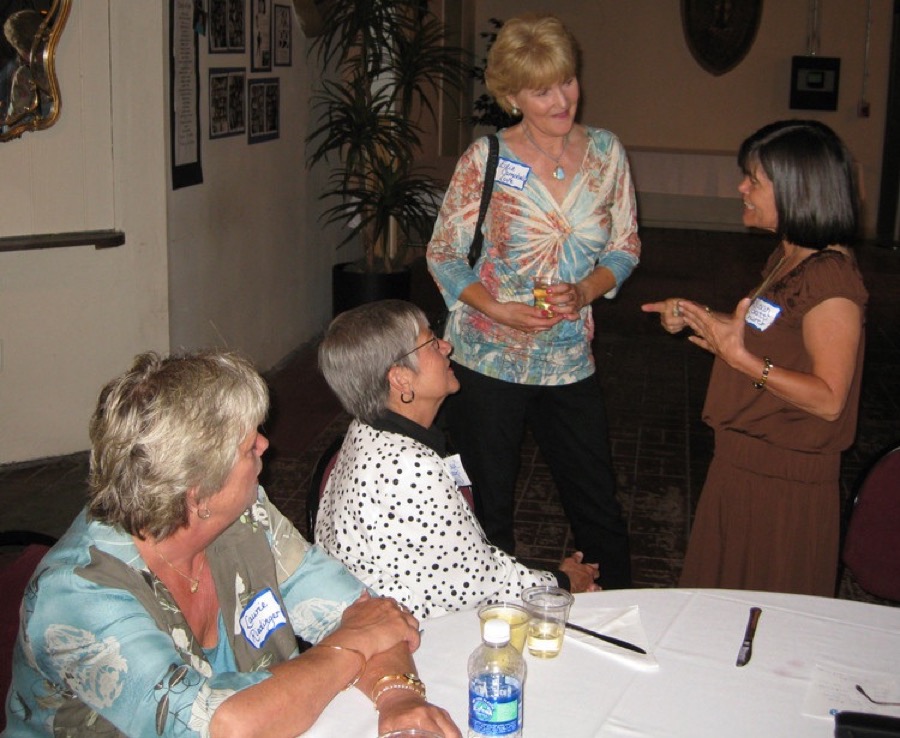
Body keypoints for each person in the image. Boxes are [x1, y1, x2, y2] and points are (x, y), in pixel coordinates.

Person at [5, 350, 460, 738]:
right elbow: (225, 726)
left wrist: (395, 695)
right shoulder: (76, 597)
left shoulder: (243, 514)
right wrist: (349, 647)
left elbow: (363, 612)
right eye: (247, 448)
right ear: (198, 494)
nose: (264, 443)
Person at [426, 13, 639, 589]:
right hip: (487, 356)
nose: (561, 99)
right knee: (488, 507)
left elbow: (624, 247)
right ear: (512, 95)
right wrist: (493, 306)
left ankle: (616, 615)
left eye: (565, 81)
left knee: (596, 501)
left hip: (568, 355)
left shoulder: (605, 154)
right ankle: (493, 626)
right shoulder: (486, 160)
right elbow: (444, 252)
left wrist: (587, 290)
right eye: (541, 89)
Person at [642, 120, 868, 596]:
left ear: (797, 189)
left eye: (754, 180)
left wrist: (739, 359)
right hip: (744, 463)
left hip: (784, 483)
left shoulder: (831, 279)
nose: (741, 188)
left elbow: (829, 399)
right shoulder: (790, 257)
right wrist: (697, 316)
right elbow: (771, 333)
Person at [315, 300, 601, 620]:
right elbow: (474, 585)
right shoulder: (410, 469)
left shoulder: (363, 431)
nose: (447, 346)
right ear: (400, 380)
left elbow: (465, 566)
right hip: (412, 638)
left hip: (391, 616)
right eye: (431, 342)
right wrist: (562, 582)